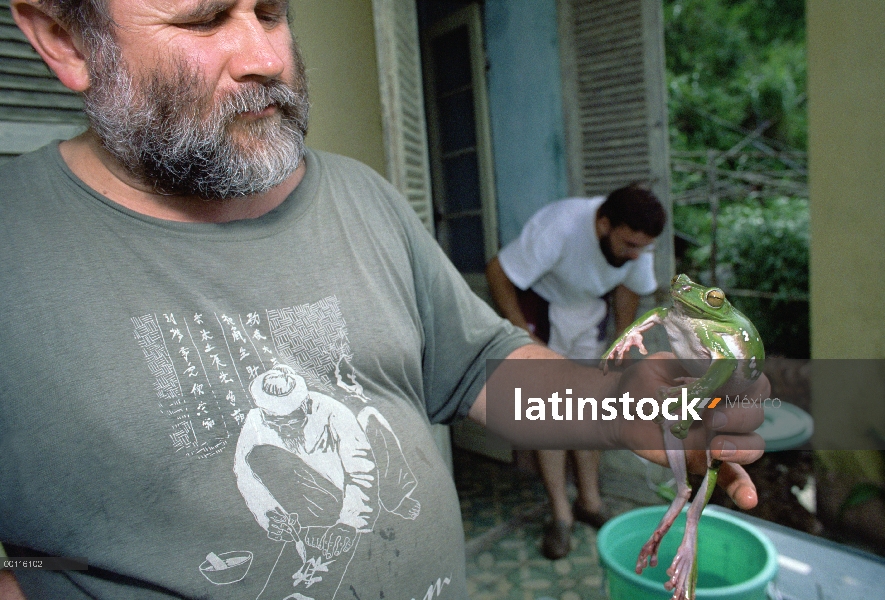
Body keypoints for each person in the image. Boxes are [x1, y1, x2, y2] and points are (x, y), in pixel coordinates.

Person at [0, 0, 765, 598]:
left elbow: (482, 369)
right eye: (203, 18)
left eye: (270, 12)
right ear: (65, 40)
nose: (268, 57)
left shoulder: (362, 198)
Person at [486, 186, 666, 559]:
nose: (636, 254)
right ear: (603, 225)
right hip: (541, 309)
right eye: (629, 244)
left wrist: (622, 340)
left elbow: (631, 285)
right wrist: (524, 336)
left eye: (642, 248)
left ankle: (590, 502)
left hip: (587, 314)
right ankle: (561, 515)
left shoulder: (636, 241)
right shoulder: (561, 226)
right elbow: (498, 272)